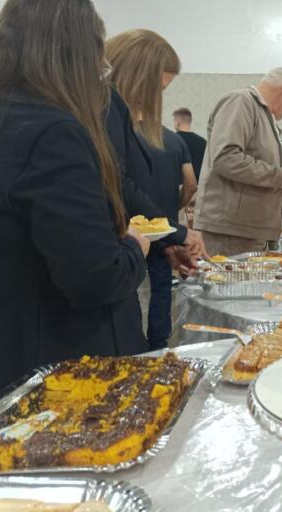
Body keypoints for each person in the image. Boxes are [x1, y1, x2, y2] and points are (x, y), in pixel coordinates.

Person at [0, 0, 149, 399]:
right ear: (77, 56)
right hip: (58, 370)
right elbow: (94, 278)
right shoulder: (53, 132)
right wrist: (133, 247)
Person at [106, 29, 197, 350]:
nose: (155, 98)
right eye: (156, 88)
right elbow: (118, 182)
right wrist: (176, 231)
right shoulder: (104, 112)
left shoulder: (118, 116)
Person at [195, 67, 282, 255]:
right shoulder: (241, 102)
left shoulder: (264, 115)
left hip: (247, 232)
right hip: (229, 232)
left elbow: (258, 183)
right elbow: (226, 159)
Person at [173, 107, 206, 181]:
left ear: (178, 123)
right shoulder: (203, 142)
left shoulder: (172, 141)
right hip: (199, 187)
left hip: (178, 187)